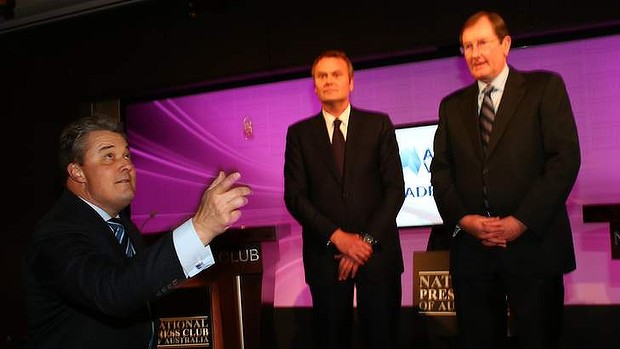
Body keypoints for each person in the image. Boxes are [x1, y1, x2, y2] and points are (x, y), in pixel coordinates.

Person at [22, 114, 252, 348]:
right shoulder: (56, 233)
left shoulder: (122, 226)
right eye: (108, 156)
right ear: (77, 172)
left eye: (127, 155)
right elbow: (114, 293)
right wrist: (200, 227)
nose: (126, 165)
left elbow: (140, 288)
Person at [430, 11, 581, 349]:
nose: (474, 53)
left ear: (506, 43)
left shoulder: (545, 88)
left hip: (534, 250)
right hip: (473, 256)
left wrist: (521, 221)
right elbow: (440, 171)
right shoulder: (451, 107)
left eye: (482, 42)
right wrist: (464, 220)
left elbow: (565, 159)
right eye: (466, 46)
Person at [284, 50, 405, 349]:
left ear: (351, 82)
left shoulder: (378, 125)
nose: (329, 81)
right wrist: (338, 238)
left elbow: (394, 190)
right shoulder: (299, 134)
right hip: (326, 259)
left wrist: (361, 243)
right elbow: (295, 197)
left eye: (336, 74)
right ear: (314, 86)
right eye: (321, 76)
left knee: (383, 339)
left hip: (377, 256)